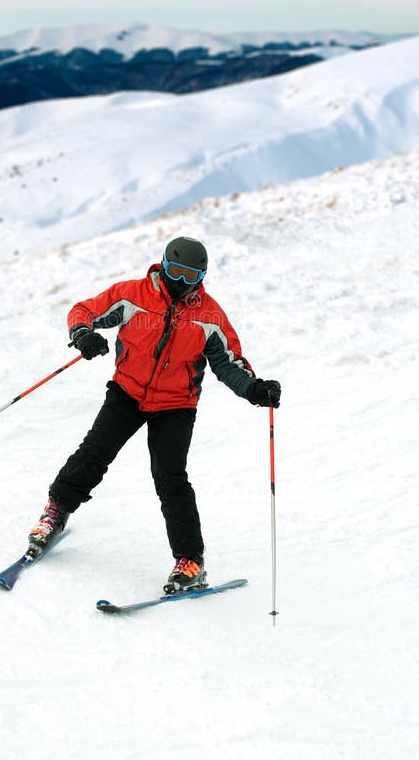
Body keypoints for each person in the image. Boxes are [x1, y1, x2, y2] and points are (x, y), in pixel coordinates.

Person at [28, 236, 281, 593]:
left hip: (176, 405)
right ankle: (55, 511)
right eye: (175, 271)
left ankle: (190, 562)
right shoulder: (132, 294)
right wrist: (83, 334)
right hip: (127, 392)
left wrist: (254, 389)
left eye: (190, 276)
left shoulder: (209, 316)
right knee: (94, 453)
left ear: (202, 277)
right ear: (162, 263)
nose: (180, 281)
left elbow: (229, 363)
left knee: (170, 477)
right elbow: (84, 311)